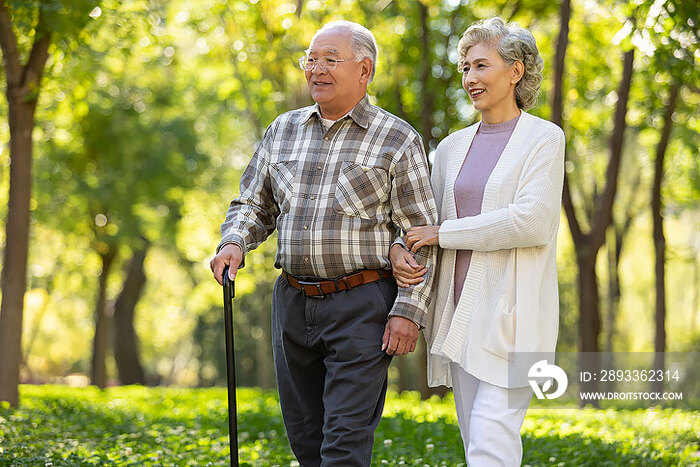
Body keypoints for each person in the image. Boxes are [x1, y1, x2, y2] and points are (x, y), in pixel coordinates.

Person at [210, 21, 437, 467]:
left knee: (344, 443)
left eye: (330, 59)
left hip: (362, 306)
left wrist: (409, 312)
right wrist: (234, 241)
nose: (317, 69)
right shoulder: (283, 130)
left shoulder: (397, 139)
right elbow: (253, 203)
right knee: (305, 439)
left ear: (364, 70)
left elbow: (420, 233)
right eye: (311, 59)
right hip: (292, 301)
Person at [391, 17, 564, 466]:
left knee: (491, 442)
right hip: (459, 316)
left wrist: (443, 234)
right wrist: (401, 248)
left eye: (481, 66)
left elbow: (533, 222)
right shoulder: (450, 147)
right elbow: (421, 222)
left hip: (514, 319)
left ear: (515, 70)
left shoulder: (543, 138)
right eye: (465, 68)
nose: (470, 78)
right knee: (477, 443)